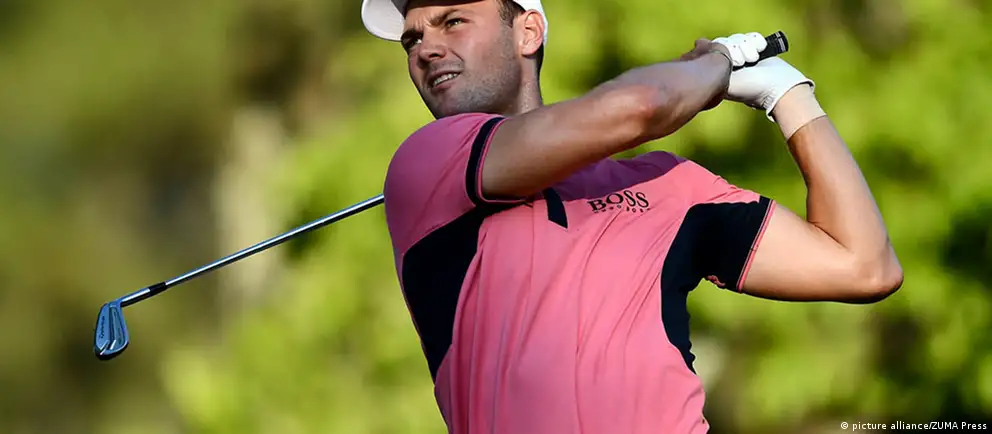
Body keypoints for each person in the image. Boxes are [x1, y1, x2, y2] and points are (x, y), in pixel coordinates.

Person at [360, 0, 904, 432]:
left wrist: (788, 93)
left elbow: (864, 266)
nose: (427, 48)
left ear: (528, 32)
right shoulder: (426, 161)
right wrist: (718, 64)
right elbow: (643, 107)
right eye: (413, 39)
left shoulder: (666, 185)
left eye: (453, 21)